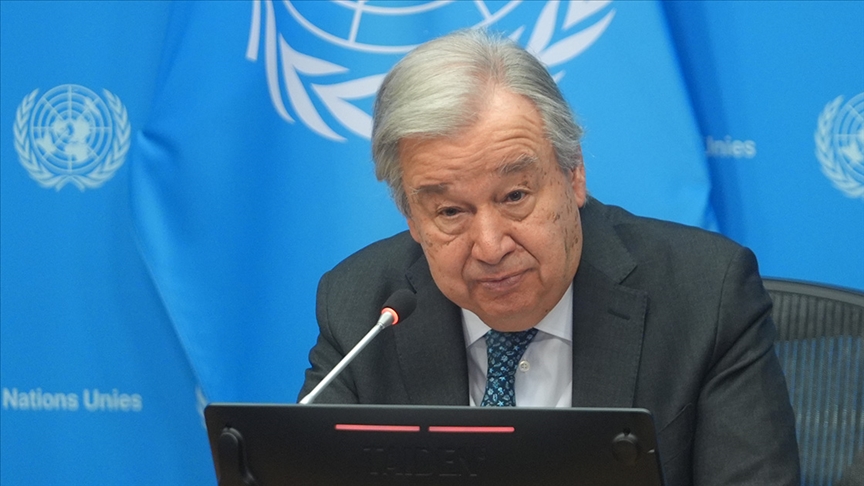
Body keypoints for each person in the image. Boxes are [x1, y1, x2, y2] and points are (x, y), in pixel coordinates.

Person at [299, 29, 799, 485]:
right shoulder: (360, 309)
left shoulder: (705, 295)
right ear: (411, 216)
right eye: (450, 211)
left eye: (515, 196)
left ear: (574, 175)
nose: (491, 247)